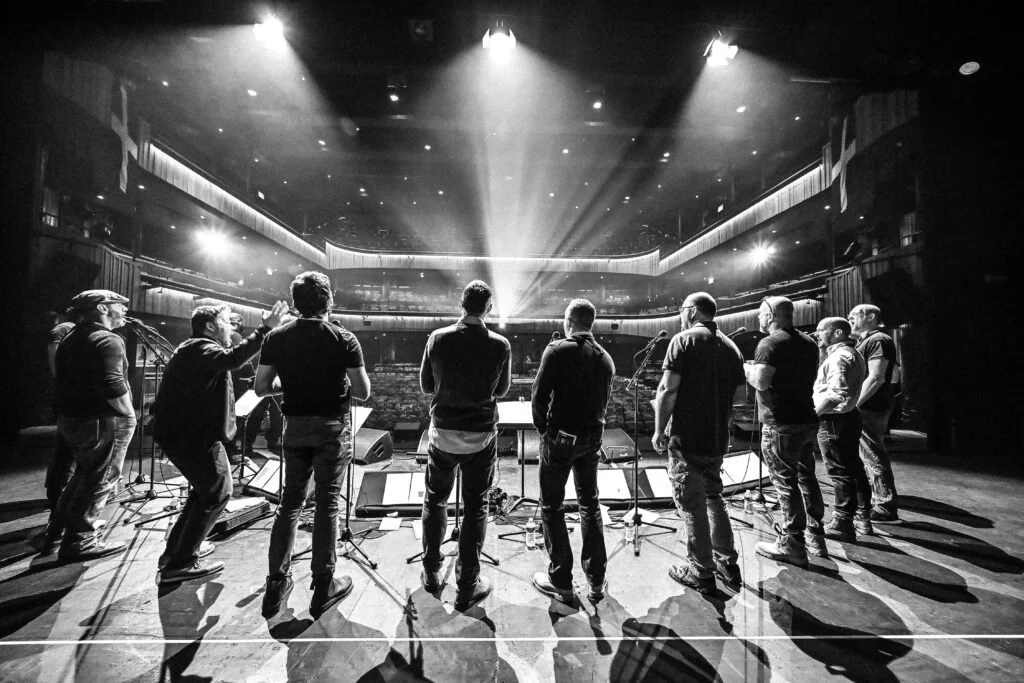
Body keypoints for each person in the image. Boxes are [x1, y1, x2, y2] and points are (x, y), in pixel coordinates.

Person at [256, 272, 371, 620]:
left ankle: (276, 583)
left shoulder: (276, 337)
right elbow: (363, 391)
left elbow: (262, 387)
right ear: (329, 301)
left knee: (289, 504)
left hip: (295, 428)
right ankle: (323, 585)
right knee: (327, 504)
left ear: (294, 302)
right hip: (332, 429)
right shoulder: (344, 338)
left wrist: (289, 388)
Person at [151, 300, 288, 585]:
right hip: (193, 435)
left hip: (185, 432)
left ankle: (176, 552)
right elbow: (233, 359)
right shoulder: (202, 348)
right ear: (211, 325)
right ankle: (181, 562)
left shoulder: (195, 349)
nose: (231, 328)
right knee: (217, 492)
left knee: (204, 492)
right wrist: (265, 330)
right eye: (227, 323)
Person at [418, 280, 511, 611]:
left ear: (461, 304)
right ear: (488, 308)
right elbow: (500, 391)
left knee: (435, 499)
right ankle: (467, 584)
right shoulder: (500, 345)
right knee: (476, 506)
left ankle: (431, 571)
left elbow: (428, 386)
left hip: (442, 433)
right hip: (480, 436)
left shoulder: (437, 338)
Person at [653, 293, 745, 594]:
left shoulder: (682, 340)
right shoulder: (732, 347)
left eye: (681, 309)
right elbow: (741, 398)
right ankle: (727, 563)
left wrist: (658, 430)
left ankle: (701, 572)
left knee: (691, 505)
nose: (680, 316)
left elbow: (667, 389)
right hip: (717, 438)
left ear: (691, 311)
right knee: (714, 497)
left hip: (687, 437)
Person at [530, 298, 615, 605]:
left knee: (552, 506)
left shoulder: (557, 350)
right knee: (589, 504)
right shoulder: (606, 359)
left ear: (569, 321)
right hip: (592, 440)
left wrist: (544, 431)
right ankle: (595, 581)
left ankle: (561, 581)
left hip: (561, 439)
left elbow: (538, 397)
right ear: (590, 323)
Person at [51, 289, 136, 562]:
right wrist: (129, 414)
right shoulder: (108, 340)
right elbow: (113, 385)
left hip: (70, 418)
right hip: (99, 420)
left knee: (81, 476)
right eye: (119, 305)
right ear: (102, 308)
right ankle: (81, 541)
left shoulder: (71, 337)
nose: (124, 310)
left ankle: (56, 533)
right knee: (100, 478)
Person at [744, 295, 825, 567]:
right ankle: (816, 535)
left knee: (785, 483)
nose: (758, 318)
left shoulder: (768, 343)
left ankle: (792, 544)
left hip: (781, 423)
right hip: (806, 418)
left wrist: (747, 370)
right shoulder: (809, 342)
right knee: (806, 477)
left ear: (771, 315)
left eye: (760, 313)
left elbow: (763, 382)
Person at [812, 316, 873, 542]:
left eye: (821, 330)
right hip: (848, 417)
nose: (817, 334)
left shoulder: (840, 357)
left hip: (833, 420)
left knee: (839, 471)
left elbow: (837, 394)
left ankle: (842, 522)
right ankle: (861, 517)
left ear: (837, 333)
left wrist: (814, 414)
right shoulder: (850, 354)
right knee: (853, 467)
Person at [848, 304, 901, 524]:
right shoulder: (868, 340)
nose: (849, 318)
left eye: (854, 315)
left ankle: (884, 506)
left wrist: (854, 404)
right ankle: (877, 499)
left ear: (870, 317)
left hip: (869, 407)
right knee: (868, 453)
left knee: (872, 453)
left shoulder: (878, 340)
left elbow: (877, 377)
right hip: (869, 406)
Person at [34, 313, 77, 554]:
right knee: (66, 462)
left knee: (68, 461)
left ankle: (61, 518)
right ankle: (59, 520)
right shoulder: (64, 329)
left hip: (72, 404)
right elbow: (55, 363)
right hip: (72, 405)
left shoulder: (73, 330)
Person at [229, 313, 283, 458]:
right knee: (260, 416)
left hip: (256, 382)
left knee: (254, 416)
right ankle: (249, 445)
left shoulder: (234, 337)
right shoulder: (235, 337)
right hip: (259, 382)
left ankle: (246, 446)